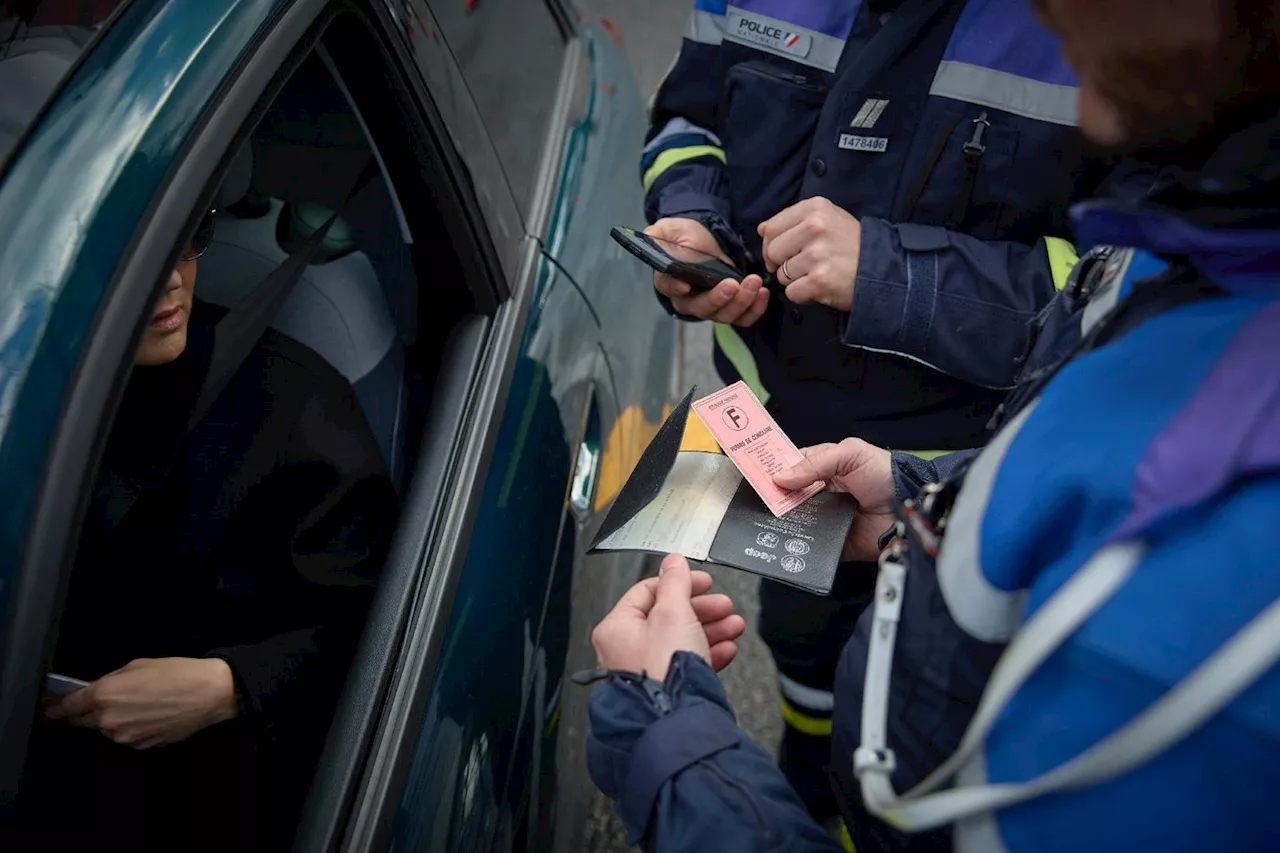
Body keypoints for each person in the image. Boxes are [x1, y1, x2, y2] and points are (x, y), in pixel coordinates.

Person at [589, 0, 1280, 850]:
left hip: (949, 434)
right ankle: (816, 776)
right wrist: (694, 217)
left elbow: (1094, 283)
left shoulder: (1165, 143)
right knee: (806, 658)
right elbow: (691, 115)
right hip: (819, 458)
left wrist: (674, 732)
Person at [13, 206, 398, 851]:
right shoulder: (20, 405)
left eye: (185, 238)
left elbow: (384, 629)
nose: (169, 278)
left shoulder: (291, 402)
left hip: (211, 783)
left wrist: (229, 687)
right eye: (127, 252)